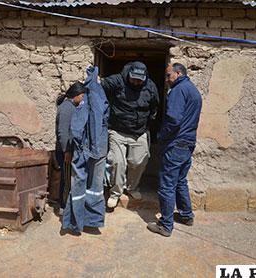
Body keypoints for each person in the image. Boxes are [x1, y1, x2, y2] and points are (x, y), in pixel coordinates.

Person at [147, 63, 202, 237]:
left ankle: (165, 225)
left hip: (176, 144)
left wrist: (161, 135)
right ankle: (186, 216)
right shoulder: (193, 90)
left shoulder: (178, 91)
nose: (167, 79)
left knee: (167, 186)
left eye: (169, 75)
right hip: (188, 143)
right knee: (180, 181)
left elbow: (173, 119)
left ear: (178, 73)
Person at [101, 61, 159, 209]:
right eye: (133, 78)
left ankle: (132, 187)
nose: (136, 82)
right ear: (129, 74)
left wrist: (146, 124)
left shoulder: (151, 87)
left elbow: (154, 108)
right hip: (117, 130)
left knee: (139, 161)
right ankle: (115, 193)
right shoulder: (118, 80)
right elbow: (101, 87)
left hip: (139, 132)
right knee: (117, 162)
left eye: (140, 80)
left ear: (145, 77)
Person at [62, 66, 109, 234]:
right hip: (101, 148)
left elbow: (76, 127)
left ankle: (75, 221)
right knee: (96, 187)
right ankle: (93, 220)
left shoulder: (87, 98)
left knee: (78, 185)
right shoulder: (102, 95)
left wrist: (77, 146)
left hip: (84, 149)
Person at [55, 82, 87, 216]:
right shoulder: (66, 108)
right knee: (67, 179)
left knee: (68, 177)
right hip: (66, 151)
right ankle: (63, 206)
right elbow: (62, 132)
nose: (83, 99)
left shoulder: (72, 106)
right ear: (76, 95)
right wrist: (66, 151)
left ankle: (67, 205)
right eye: (82, 96)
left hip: (69, 150)